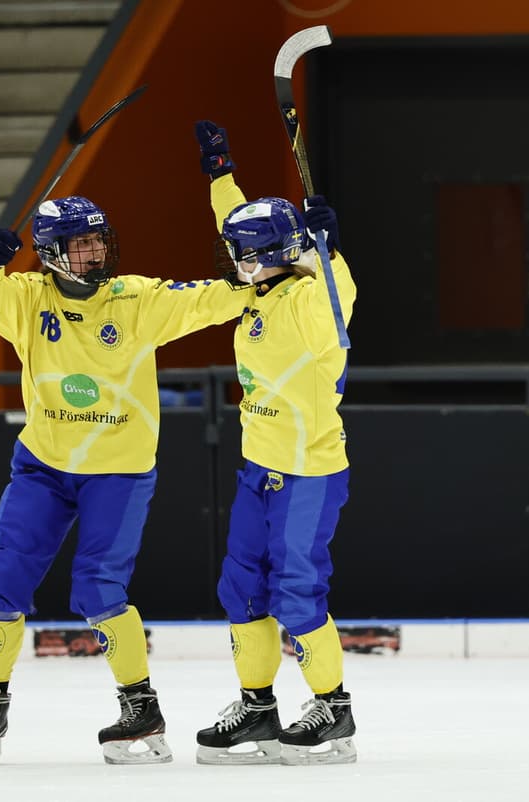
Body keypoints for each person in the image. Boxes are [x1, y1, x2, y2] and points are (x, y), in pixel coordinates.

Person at [0, 195, 251, 766]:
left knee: (96, 589)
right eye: (80, 244)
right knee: (0, 582)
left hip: (117, 470)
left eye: (99, 241)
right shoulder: (26, 299)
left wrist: (258, 260)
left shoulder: (137, 299)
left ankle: (141, 706)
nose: (95, 252)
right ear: (49, 254)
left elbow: (220, 298)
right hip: (43, 465)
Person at [189, 119, 358, 766]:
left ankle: (334, 712)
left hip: (310, 469)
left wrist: (331, 253)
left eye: (243, 253)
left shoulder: (314, 305)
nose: (232, 261)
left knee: (297, 588)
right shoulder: (257, 291)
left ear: (276, 254)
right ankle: (257, 708)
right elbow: (241, 222)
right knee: (243, 588)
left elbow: (337, 296)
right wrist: (220, 174)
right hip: (259, 467)